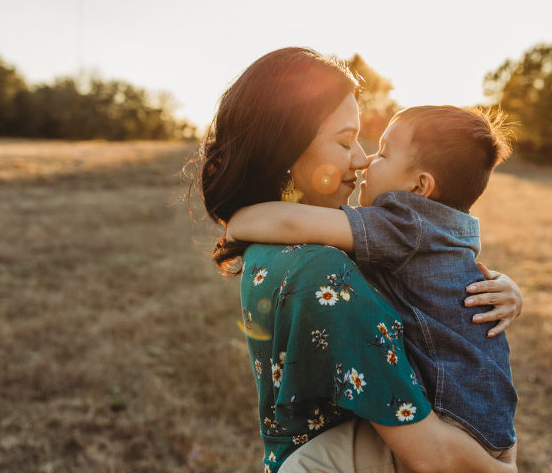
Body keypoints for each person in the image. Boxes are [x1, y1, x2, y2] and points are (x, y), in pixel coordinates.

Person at [196, 47, 522, 473]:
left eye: (373, 148)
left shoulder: (278, 250)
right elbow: (434, 456)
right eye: (345, 140)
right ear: (287, 148)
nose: (363, 158)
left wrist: (507, 289)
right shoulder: (320, 272)